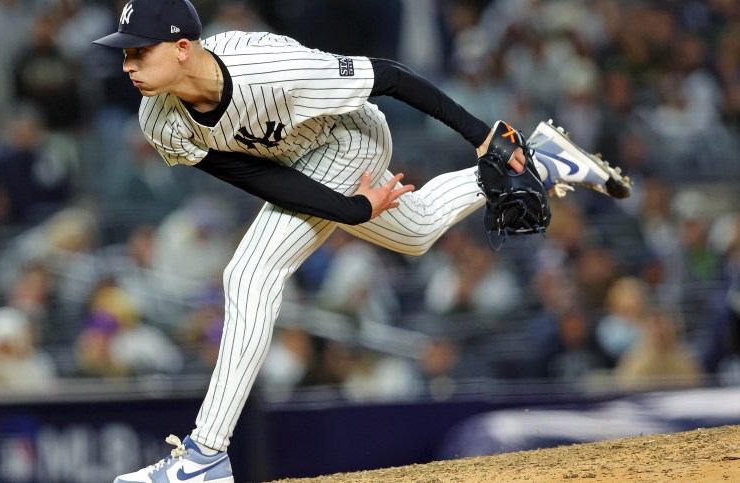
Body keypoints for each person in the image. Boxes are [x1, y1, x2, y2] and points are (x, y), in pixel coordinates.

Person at [92, 1, 631, 481]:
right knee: (417, 232)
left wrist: (481, 135)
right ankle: (543, 158)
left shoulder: (271, 68)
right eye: (124, 53)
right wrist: (351, 209)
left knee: (249, 274)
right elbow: (254, 177)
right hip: (294, 163)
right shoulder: (158, 117)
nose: (127, 65)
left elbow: (392, 77)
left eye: (139, 51)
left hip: (347, 134)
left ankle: (204, 457)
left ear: (183, 48)